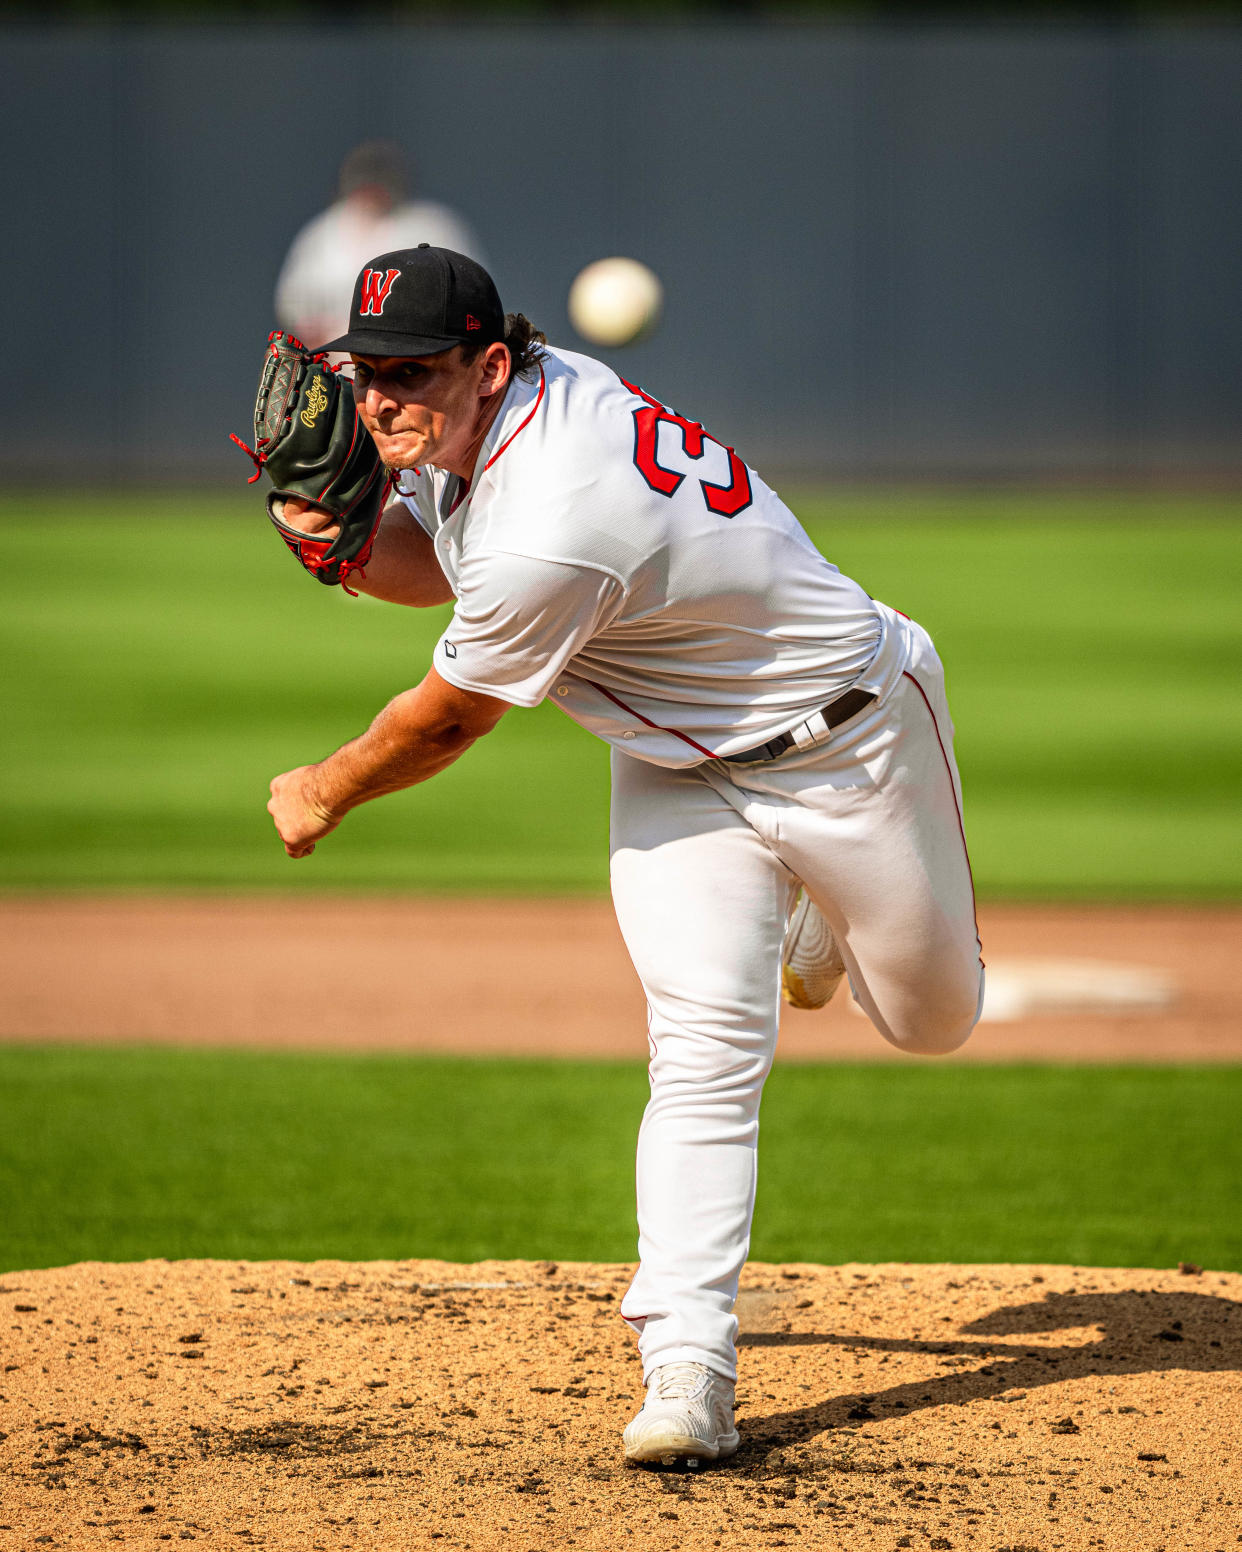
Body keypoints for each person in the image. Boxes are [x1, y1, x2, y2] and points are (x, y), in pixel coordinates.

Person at [265, 245, 985, 1467]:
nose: (380, 397)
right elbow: (448, 565)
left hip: (850, 742)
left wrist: (323, 788)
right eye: (366, 369)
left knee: (932, 1020)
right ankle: (689, 1362)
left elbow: (447, 714)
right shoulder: (499, 421)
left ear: (490, 365)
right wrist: (336, 543)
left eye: (413, 372)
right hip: (675, 763)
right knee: (703, 1045)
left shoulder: (562, 507)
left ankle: (826, 911)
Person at [274, 142, 485, 350]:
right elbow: (292, 300)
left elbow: (473, 293)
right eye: (364, 183)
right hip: (337, 356)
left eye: (378, 182)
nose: (371, 191)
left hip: (414, 352)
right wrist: (309, 331)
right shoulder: (322, 233)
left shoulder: (431, 225)